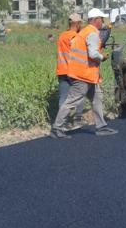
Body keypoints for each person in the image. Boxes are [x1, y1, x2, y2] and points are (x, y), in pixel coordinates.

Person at [50, 8, 118, 138]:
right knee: (71, 101)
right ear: (96, 20)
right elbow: (92, 54)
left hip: (88, 75)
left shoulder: (84, 32)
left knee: (97, 98)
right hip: (82, 75)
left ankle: (101, 126)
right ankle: (57, 128)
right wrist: (102, 57)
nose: (102, 21)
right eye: (101, 19)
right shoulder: (92, 33)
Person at [55, 13, 84, 130]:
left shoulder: (62, 36)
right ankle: (77, 120)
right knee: (80, 95)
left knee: (63, 97)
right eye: (80, 23)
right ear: (77, 24)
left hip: (62, 70)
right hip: (74, 72)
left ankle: (62, 123)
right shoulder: (76, 37)